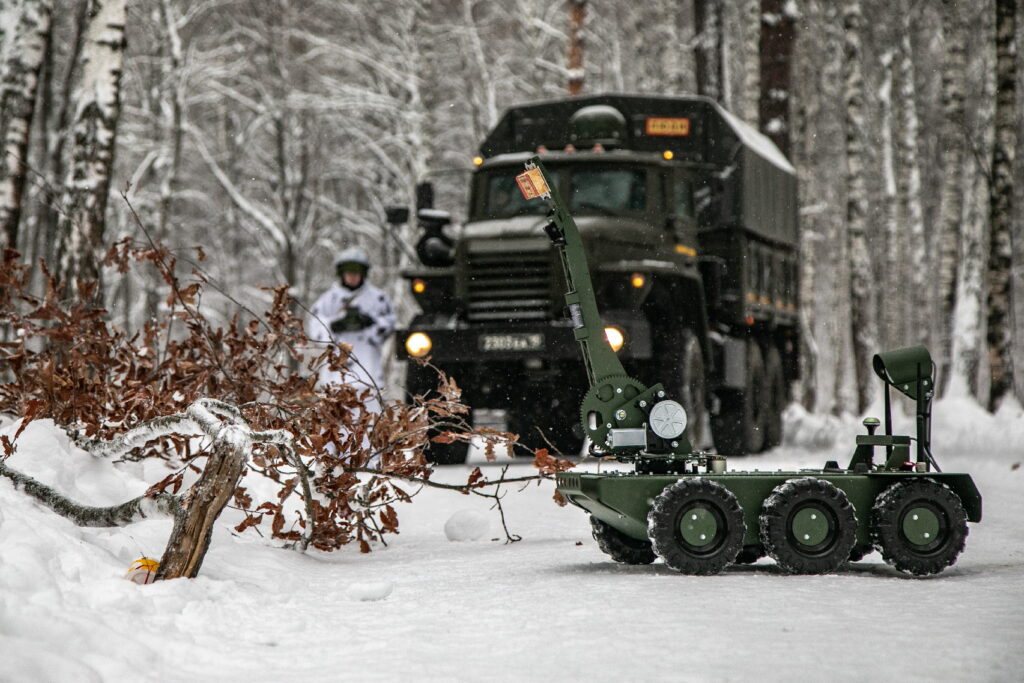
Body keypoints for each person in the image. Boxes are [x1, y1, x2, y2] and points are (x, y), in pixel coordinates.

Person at [307, 246, 396, 413]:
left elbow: (388, 325)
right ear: (342, 274)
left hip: (367, 372)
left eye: (356, 273)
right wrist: (333, 326)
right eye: (349, 272)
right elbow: (315, 328)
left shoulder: (377, 299)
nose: (352, 277)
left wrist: (371, 324)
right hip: (335, 376)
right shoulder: (328, 300)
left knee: (369, 422)